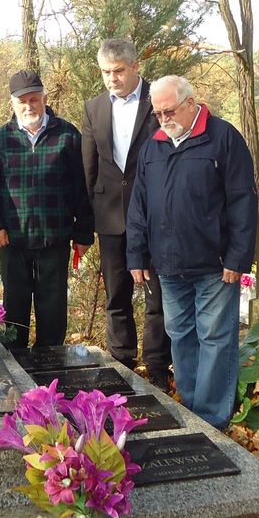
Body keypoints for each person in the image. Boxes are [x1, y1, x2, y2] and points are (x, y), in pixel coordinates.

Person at [126, 75, 258, 429]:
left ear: (190, 103)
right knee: (181, 336)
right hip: (168, 265)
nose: (164, 118)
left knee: (215, 339)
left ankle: (212, 420)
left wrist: (237, 258)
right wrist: (136, 255)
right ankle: (191, 409)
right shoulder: (153, 145)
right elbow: (139, 205)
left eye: (169, 111)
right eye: (158, 113)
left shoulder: (223, 137)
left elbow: (243, 200)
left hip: (215, 265)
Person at [0, 70, 94, 348]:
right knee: (14, 314)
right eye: (22, 101)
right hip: (12, 242)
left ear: (44, 98)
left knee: (53, 313)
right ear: (12, 104)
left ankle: (51, 374)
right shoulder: (2, 139)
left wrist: (84, 233)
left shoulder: (66, 135)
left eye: (34, 99)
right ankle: (16, 372)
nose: (29, 106)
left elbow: (83, 188)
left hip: (55, 240)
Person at [81, 38, 172, 389]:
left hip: (154, 214)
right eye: (105, 72)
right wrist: (88, 219)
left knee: (156, 296)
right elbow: (89, 167)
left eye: (118, 71)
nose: (112, 79)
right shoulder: (94, 108)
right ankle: (121, 362)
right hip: (110, 216)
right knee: (116, 294)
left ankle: (158, 367)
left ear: (135, 67)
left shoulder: (158, 101)